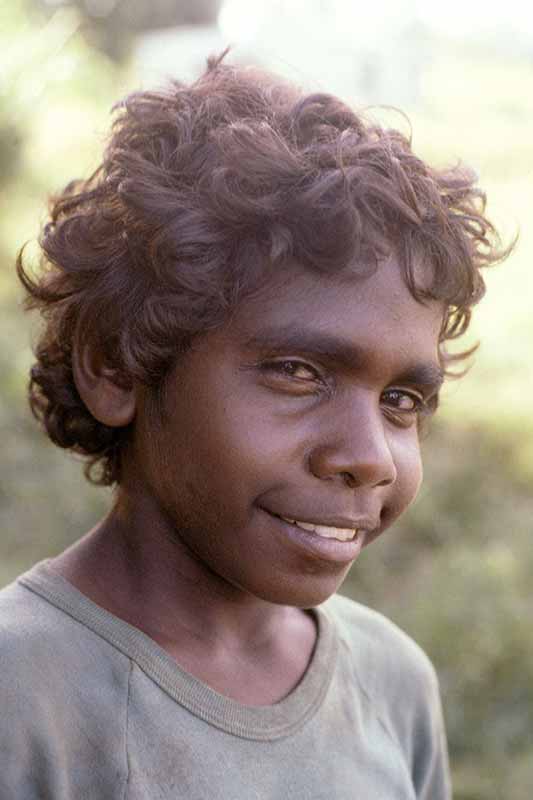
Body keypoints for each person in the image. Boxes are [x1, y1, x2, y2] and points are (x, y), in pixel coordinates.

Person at [1, 52, 506, 798]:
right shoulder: (22, 699)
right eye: (297, 372)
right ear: (115, 368)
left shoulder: (392, 685)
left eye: (401, 400)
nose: (368, 458)